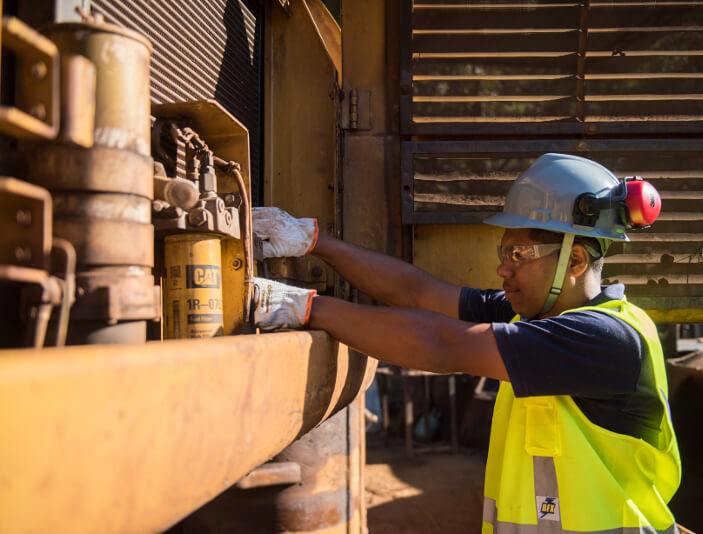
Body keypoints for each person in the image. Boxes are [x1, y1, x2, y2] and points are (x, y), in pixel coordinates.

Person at [251, 153, 681, 533]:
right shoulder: (536, 316)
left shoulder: (604, 339)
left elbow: (441, 344)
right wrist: (311, 240)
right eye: (503, 251)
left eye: (518, 255)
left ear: (576, 260)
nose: (501, 269)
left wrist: (306, 308)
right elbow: (418, 292)